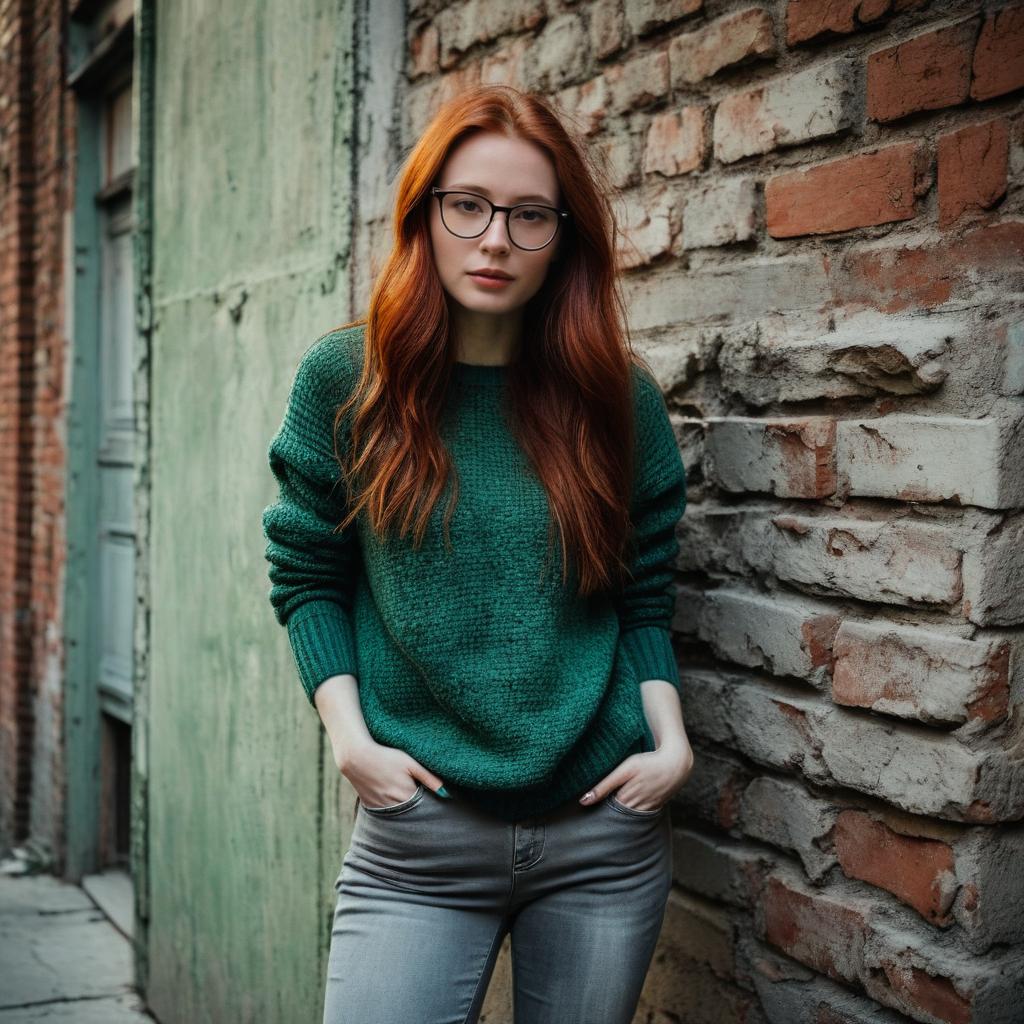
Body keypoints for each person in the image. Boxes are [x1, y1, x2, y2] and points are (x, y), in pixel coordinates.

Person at [262, 84, 694, 1024]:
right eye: (469, 206)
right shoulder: (348, 381)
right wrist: (352, 746)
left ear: (564, 236)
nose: (495, 239)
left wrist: (671, 744)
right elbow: (307, 576)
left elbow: (642, 592)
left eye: (530, 215)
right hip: (421, 836)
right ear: (426, 215)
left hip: (602, 839)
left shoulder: (618, 401)